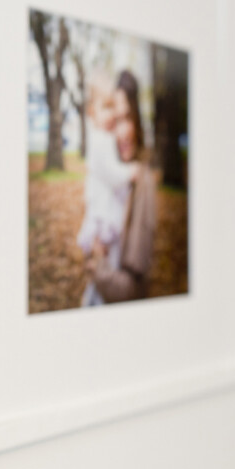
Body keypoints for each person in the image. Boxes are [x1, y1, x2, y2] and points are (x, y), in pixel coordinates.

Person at [84, 70, 157, 304]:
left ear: (137, 119)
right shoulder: (111, 172)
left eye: (127, 119)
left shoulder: (140, 181)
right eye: (114, 121)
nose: (122, 132)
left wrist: (97, 266)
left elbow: (132, 289)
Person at [78, 69, 139, 306]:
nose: (112, 113)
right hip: (103, 216)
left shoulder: (104, 137)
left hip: (105, 210)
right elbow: (112, 174)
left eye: (113, 106)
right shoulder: (100, 141)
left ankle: (96, 299)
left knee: (104, 266)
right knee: (106, 265)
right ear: (92, 113)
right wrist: (129, 172)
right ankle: (94, 304)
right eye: (106, 107)